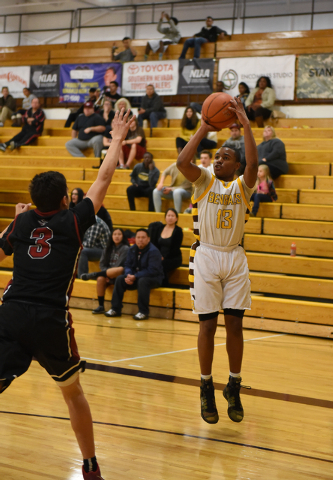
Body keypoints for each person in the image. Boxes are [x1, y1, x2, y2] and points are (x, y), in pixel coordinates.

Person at [0, 108, 135, 479]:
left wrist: (16, 220)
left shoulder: (23, 220)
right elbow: (104, 176)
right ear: (64, 199)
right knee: (72, 392)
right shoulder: (74, 221)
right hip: (49, 319)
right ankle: (90, 466)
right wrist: (119, 136)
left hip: (10, 312)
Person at [176, 96, 258, 425]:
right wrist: (203, 127)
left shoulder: (243, 186)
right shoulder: (204, 181)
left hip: (235, 257)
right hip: (207, 254)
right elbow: (183, 161)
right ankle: (206, 386)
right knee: (207, 325)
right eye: (218, 156)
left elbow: (254, 165)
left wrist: (246, 124)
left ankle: (234, 385)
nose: (219, 160)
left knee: (235, 324)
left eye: (226, 157)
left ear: (236, 165)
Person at [104, 229, 164, 321]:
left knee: (142, 281)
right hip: (136, 277)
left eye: (143, 237)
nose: (140, 239)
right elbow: (127, 265)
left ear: (148, 239)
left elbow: (152, 270)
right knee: (120, 279)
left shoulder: (153, 251)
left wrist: (135, 276)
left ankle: (143, 312)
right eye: (138, 237)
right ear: (135, 239)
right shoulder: (132, 249)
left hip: (153, 278)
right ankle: (115, 309)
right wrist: (129, 275)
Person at [81, 228, 130, 314]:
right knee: (100, 279)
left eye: (119, 234)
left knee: (119, 269)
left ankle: (94, 274)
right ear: (111, 236)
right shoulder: (107, 248)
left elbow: (119, 265)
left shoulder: (125, 248)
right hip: (108, 274)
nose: (117, 236)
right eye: (115, 234)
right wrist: (106, 274)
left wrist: (109, 274)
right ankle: (101, 306)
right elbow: (102, 264)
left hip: (119, 274)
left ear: (123, 236)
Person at [148, 208, 183, 285]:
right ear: (165, 218)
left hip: (173, 257)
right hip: (159, 256)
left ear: (176, 218)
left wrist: (164, 257)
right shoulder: (159, 228)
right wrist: (158, 255)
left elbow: (175, 248)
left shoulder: (178, 231)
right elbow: (155, 244)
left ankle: (164, 285)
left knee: (161, 265)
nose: (170, 218)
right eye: (168, 215)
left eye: (172, 216)